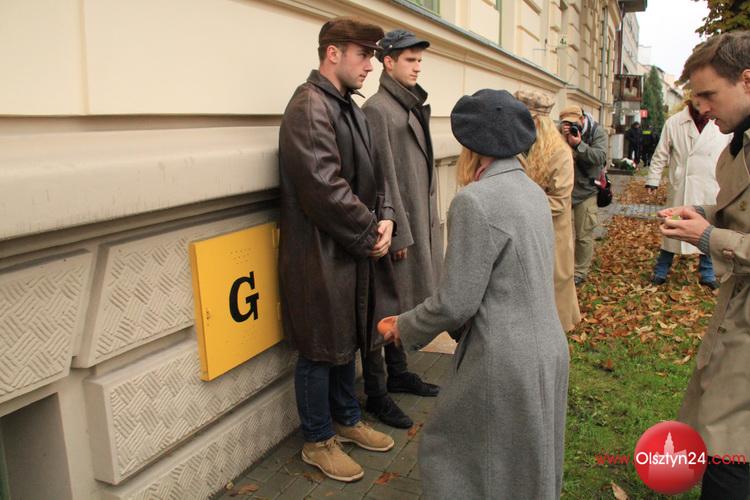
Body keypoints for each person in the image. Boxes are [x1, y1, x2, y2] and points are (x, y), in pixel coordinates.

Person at [378, 89, 569, 499]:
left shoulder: (475, 202)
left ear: (472, 147)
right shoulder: (533, 192)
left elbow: (455, 302)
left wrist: (403, 327)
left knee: (452, 452)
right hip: (548, 349)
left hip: (503, 359)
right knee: (527, 465)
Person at [278, 17, 398, 482]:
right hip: (317, 256)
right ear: (333, 52)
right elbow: (324, 189)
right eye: (363, 54)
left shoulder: (347, 105)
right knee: (319, 348)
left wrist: (385, 219)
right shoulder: (309, 106)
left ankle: (347, 420)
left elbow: (375, 175)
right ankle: (317, 440)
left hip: (347, 250)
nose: (371, 65)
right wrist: (370, 233)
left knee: (345, 340)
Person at [659, 31, 750, 500]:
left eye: (710, 94)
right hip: (737, 316)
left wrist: (709, 236)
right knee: (722, 436)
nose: (702, 107)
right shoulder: (740, 142)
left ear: (747, 80)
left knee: (731, 450)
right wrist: (704, 215)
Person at [360, 29, 441, 429]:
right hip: (395, 229)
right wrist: (398, 233)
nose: (417, 67)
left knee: (403, 304)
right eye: (410, 60)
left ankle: (399, 372)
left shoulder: (406, 104)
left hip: (414, 222)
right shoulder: (378, 109)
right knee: (384, 307)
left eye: (419, 60)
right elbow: (382, 176)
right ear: (388, 62)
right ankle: (377, 392)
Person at [646, 96, 730, 288]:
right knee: (673, 225)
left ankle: (707, 271)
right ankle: (661, 269)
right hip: (682, 186)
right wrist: (653, 180)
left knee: (708, 227)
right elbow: (661, 153)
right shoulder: (674, 123)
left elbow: (733, 152)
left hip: (711, 185)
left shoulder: (721, 122)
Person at [515, 89, 581, 332]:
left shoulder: (559, 152)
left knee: (555, 287)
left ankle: (555, 335)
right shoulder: (518, 146)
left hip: (553, 235)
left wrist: (519, 202)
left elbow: (559, 202)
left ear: (536, 122)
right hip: (525, 233)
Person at [559, 105, 609, 286]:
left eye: (574, 123)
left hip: (586, 191)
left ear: (582, 119)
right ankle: (561, 267)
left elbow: (600, 157)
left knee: (583, 234)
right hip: (563, 190)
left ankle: (580, 271)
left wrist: (579, 145)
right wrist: (561, 137)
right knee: (560, 234)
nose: (571, 126)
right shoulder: (558, 132)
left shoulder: (597, 132)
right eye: (566, 123)